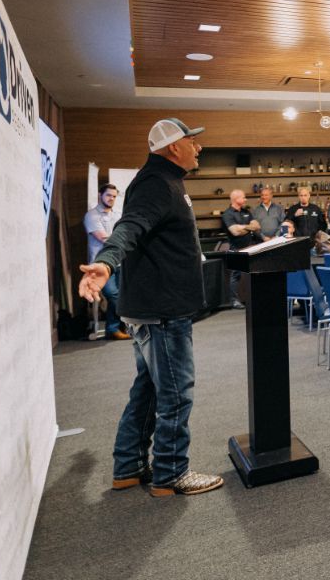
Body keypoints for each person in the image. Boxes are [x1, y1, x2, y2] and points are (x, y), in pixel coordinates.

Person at [78, 117, 223, 497]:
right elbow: (130, 226)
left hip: (153, 308)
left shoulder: (164, 181)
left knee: (149, 389)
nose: (199, 147)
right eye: (192, 141)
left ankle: (128, 467)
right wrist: (106, 262)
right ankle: (171, 474)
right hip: (162, 311)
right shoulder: (157, 184)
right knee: (176, 392)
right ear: (173, 147)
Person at [84, 183, 130, 339]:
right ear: (100, 195)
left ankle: (119, 327)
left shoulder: (118, 214)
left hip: (120, 261)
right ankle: (113, 328)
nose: (112, 199)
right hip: (101, 265)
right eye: (108, 195)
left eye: (114, 196)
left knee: (125, 294)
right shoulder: (91, 216)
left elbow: (127, 233)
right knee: (113, 295)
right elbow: (103, 238)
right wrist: (122, 238)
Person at [221, 189, 262, 308]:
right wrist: (249, 227)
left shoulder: (246, 211)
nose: (245, 200)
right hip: (236, 248)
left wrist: (242, 227)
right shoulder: (228, 214)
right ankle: (234, 300)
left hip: (251, 247)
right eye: (243, 197)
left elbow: (257, 226)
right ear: (236, 199)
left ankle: (255, 297)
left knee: (255, 273)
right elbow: (234, 232)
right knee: (236, 275)